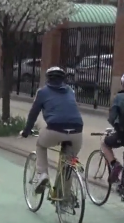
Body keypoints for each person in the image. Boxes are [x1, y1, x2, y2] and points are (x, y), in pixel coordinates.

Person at [20, 66, 84, 194]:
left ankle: (42, 174)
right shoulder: (70, 91)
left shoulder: (42, 92)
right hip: (77, 131)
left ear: (47, 79)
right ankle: (64, 195)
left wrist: (26, 131)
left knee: (40, 145)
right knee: (68, 164)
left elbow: (33, 114)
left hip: (55, 129)